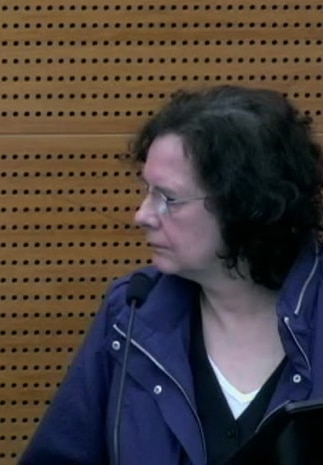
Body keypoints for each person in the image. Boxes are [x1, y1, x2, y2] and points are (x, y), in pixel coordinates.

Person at [18, 85, 323, 465]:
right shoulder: (132, 310)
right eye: (147, 191)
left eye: (168, 199)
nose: (142, 215)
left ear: (244, 203)